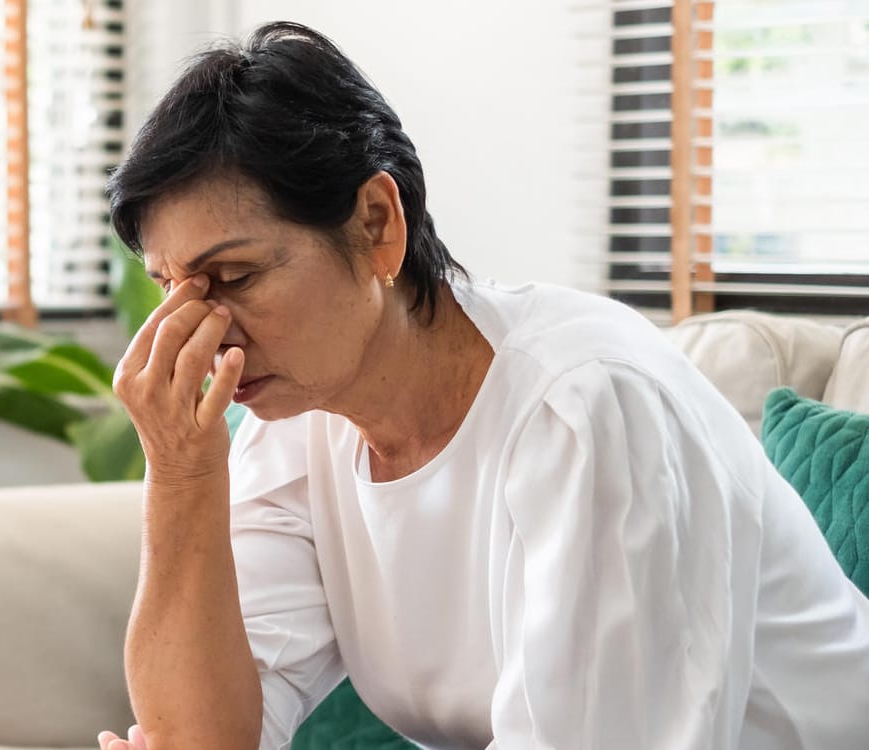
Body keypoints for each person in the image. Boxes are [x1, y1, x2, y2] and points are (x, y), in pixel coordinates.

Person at [95, 21, 869, 750]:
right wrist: (180, 470)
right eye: (171, 287)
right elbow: (204, 739)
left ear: (376, 223)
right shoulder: (295, 419)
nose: (200, 329)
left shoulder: (586, 405)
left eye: (232, 276)